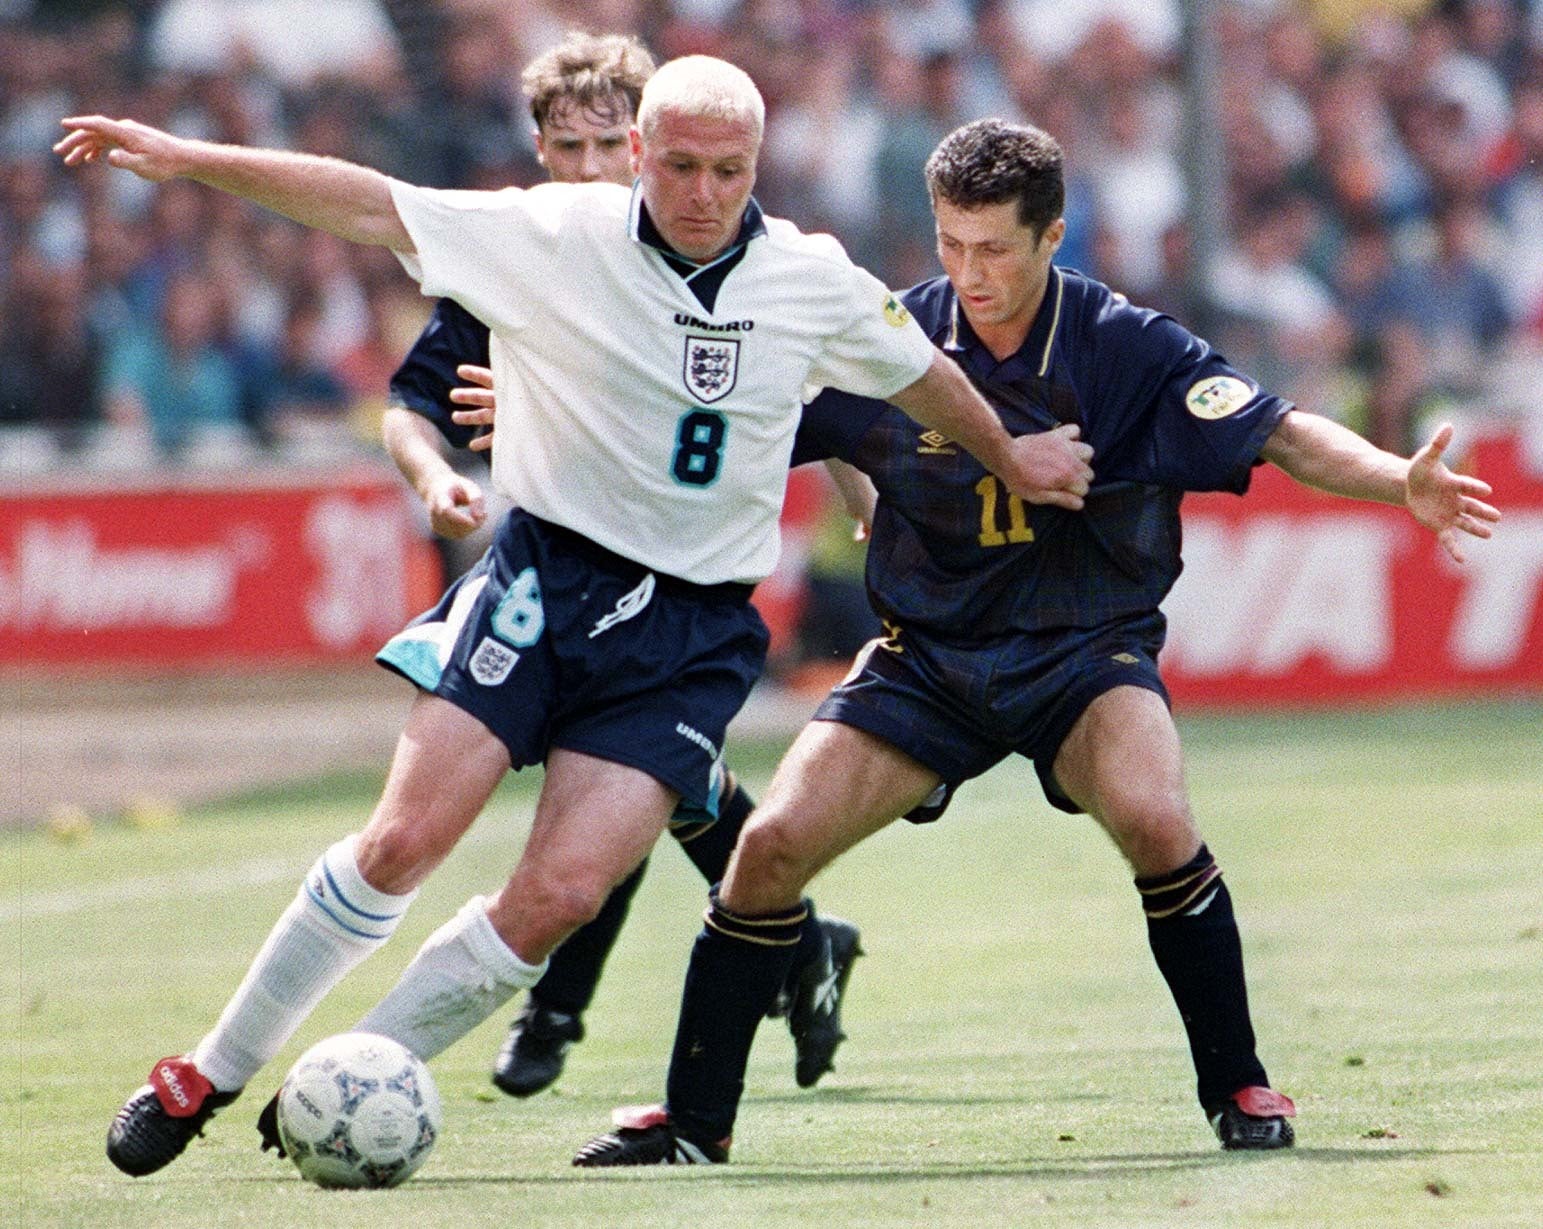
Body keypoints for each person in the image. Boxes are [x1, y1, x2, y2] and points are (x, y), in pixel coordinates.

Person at [57, 61, 1094, 1178]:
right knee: (403, 837)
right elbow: (364, 199)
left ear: (760, 165)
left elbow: (919, 374)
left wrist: (1012, 453)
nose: (703, 192)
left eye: (729, 171)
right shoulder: (555, 234)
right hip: (545, 580)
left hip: (690, 635)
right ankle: (207, 1069)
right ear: (641, 153)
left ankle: (357, 1068)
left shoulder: (810, 278)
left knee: (560, 892)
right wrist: (186, 159)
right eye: (682, 166)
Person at [571, 118, 1502, 1166]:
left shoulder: (1124, 347)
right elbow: (729, 424)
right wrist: (566, 416)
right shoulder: (892, 340)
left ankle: (1236, 1077)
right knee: (767, 847)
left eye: (995, 249)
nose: (968, 272)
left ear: (1052, 235)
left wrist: (1397, 480)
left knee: (1155, 816)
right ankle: (695, 1121)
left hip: (1082, 653)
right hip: (927, 660)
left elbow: (1281, 433)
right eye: (950, 244)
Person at [384, 30, 865, 1100]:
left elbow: (821, 401)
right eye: (572, 146)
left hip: (672, 577)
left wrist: (868, 500)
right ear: (543, 151)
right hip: (558, 562)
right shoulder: (525, 253)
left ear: (644, 145)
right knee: (665, 784)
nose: (594, 168)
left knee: (628, 776)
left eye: (613, 144)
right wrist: (431, 475)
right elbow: (411, 404)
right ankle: (802, 945)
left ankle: (558, 1004)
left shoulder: (721, 259)